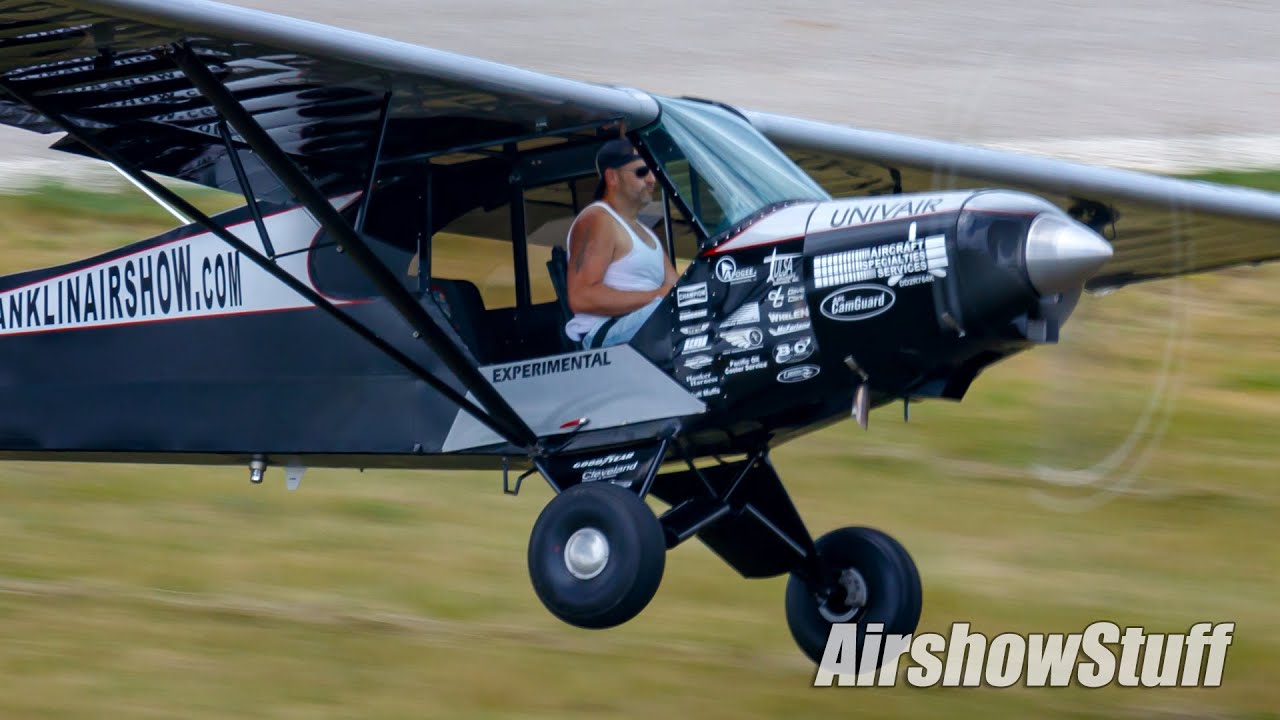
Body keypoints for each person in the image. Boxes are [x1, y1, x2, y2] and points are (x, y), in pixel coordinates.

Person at [564, 139, 677, 348]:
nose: (652, 179)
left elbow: (676, 289)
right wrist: (655, 297)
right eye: (642, 172)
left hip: (642, 327)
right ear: (612, 177)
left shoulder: (647, 233)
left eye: (653, 171)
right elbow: (582, 297)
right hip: (607, 332)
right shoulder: (598, 218)